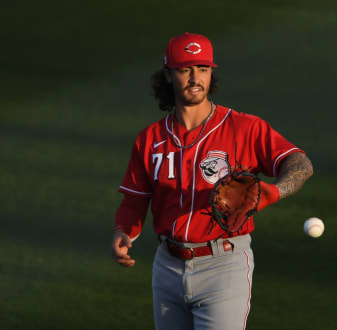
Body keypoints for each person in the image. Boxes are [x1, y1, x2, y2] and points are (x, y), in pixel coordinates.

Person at [111, 32, 313, 330]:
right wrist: (124, 232)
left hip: (224, 265)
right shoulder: (149, 140)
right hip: (166, 267)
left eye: (203, 69)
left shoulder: (245, 128)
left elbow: (300, 163)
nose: (195, 78)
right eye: (185, 69)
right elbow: (135, 199)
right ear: (168, 75)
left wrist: (273, 191)